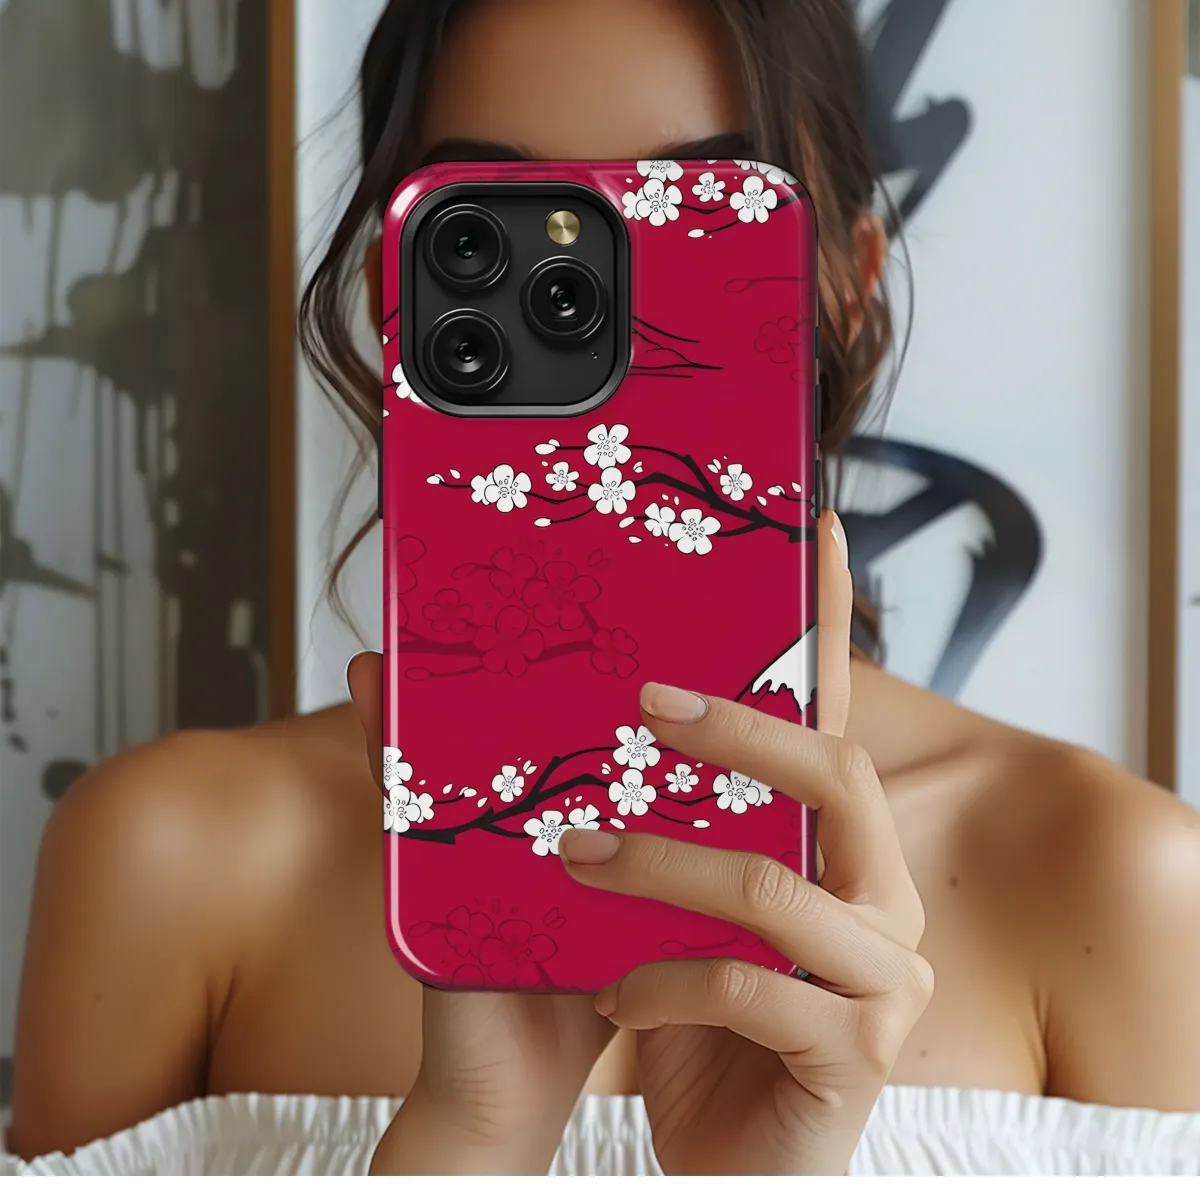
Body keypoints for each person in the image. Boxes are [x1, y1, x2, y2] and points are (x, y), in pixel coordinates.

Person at [7, 0, 1200, 1177]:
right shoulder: (171, 860)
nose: (604, 301)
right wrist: (475, 1141)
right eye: (492, 226)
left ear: (848, 283)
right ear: (394, 293)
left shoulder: (1115, 882)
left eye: (699, 215)